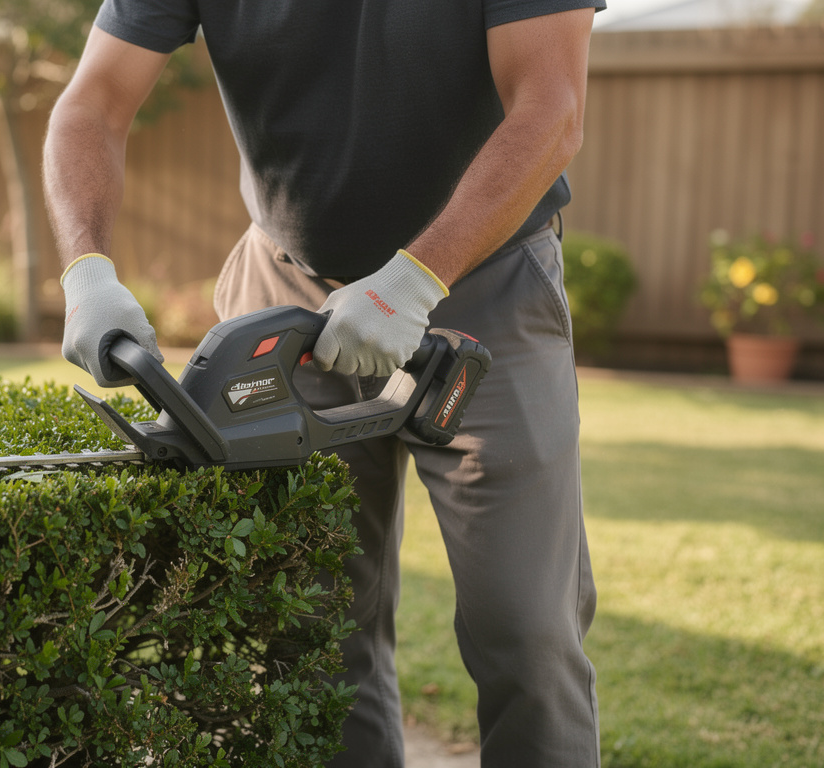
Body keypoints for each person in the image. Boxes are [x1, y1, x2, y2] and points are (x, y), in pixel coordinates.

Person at [42, 1, 604, 765]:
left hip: (488, 290)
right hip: (288, 293)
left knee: (527, 629)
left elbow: (552, 110)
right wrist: (86, 271)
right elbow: (94, 100)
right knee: (311, 628)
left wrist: (414, 280)